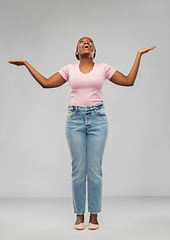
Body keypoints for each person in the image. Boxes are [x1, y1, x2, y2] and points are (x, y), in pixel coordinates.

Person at [8, 37, 156, 230]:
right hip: (75, 120)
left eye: (90, 41)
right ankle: (79, 215)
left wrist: (138, 55)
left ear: (94, 49)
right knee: (78, 170)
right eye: (81, 41)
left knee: (94, 170)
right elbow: (45, 83)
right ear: (77, 51)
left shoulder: (103, 68)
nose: (86, 42)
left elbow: (128, 81)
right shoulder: (69, 69)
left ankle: (93, 216)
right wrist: (27, 64)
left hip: (98, 119)